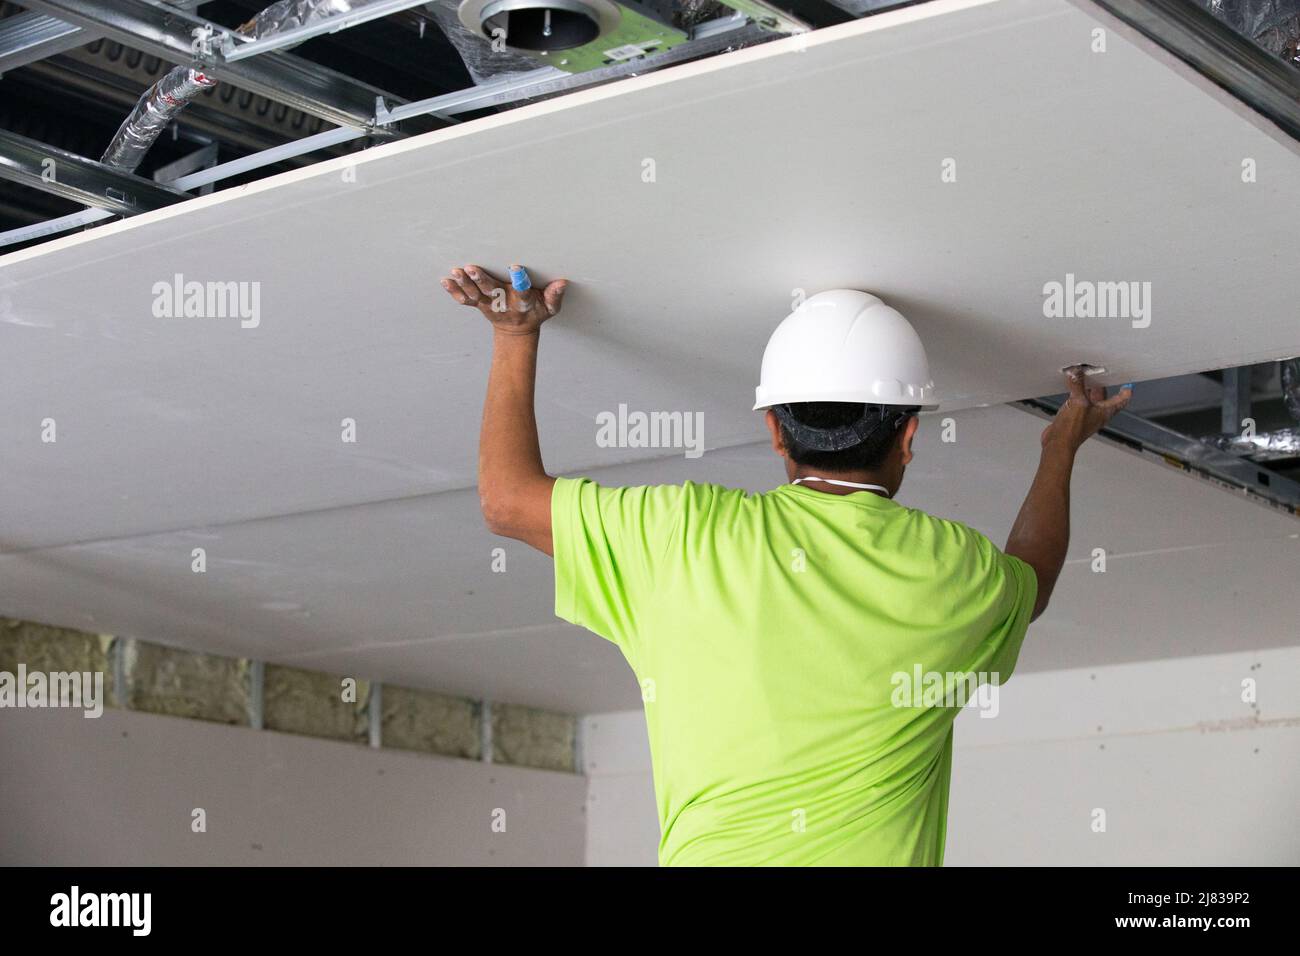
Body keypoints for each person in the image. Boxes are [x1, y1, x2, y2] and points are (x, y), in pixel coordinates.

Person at [439, 262, 1132, 865]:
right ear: (910, 436)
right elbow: (1032, 581)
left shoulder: (681, 534)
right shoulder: (953, 570)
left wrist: (514, 334)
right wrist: (1059, 447)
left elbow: (506, 501)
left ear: (774, 430)